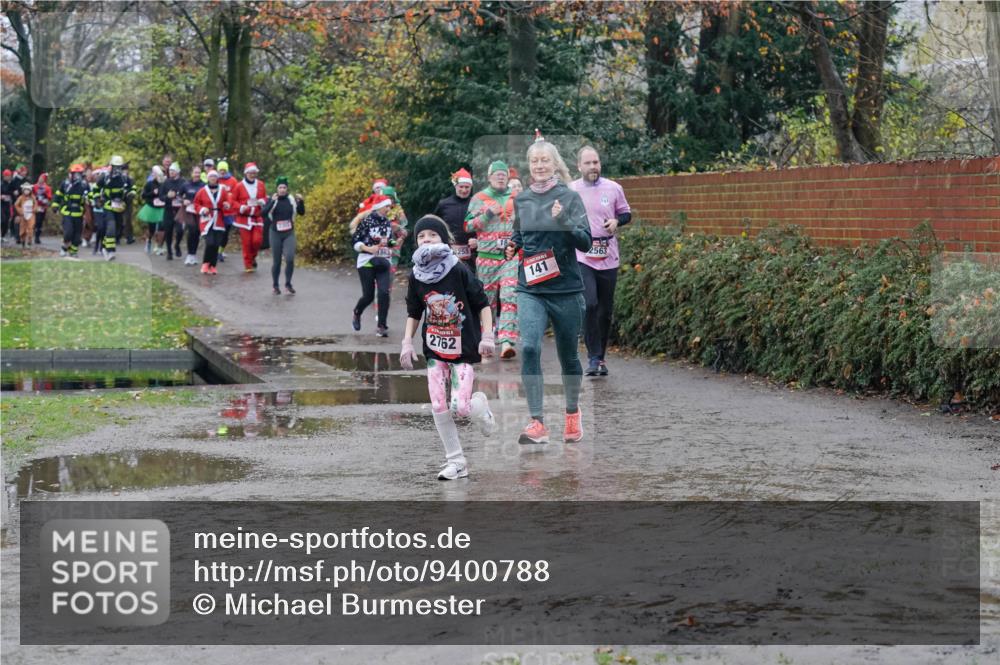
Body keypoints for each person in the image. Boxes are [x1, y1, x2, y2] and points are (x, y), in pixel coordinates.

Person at [504, 136, 591, 444]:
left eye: (545, 161)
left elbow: (586, 241)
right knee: (529, 347)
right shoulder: (523, 199)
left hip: (566, 289)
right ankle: (537, 422)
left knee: (569, 356)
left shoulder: (569, 198)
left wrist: (563, 219)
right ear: (530, 166)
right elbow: (519, 232)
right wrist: (512, 245)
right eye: (534, 161)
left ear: (555, 164)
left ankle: (571, 413)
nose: (539, 165)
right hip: (531, 288)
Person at [401, 214, 497, 480]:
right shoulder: (416, 275)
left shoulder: (457, 268)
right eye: (421, 236)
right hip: (434, 349)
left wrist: (487, 336)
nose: (426, 240)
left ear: (443, 239)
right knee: (438, 405)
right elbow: (414, 311)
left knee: (461, 407)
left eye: (432, 235)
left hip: (463, 348)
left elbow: (482, 303)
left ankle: (479, 405)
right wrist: (406, 342)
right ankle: (456, 462)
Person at [571, 146, 633, 376]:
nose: (593, 167)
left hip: (608, 255)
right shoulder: (572, 190)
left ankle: (601, 357)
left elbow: (627, 213)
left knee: (605, 311)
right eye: (587, 163)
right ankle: (593, 358)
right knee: (590, 304)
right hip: (583, 255)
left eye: (595, 162)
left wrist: (618, 221)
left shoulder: (614, 188)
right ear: (579, 166)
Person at [465, 160, 519, 359]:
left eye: (504, 174)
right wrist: (488, 214)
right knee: (487, 302)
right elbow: (468, 226)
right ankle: (486, 339)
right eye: (497, 174)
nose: (500, 177)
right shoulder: (479, 198)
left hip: (509, 257)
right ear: (489, 177)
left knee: (509, 296)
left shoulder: (516, 198)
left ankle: (506, 341)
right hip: (486, 258)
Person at [350, 194, 394, 336]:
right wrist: (368, 249)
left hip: (383, 261)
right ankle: (357, 312)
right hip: (367, 262)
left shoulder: (387, 222)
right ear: (379, 207)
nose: (389, 208)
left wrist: (394, 243)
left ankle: (382, 325)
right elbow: (355, 242)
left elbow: (388, 241)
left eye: (389, 206)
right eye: (387, 206)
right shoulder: (367, 221)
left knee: (384, 293)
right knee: (368, 296)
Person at [262, 176, 304, 295]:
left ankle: (288, 284)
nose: (282, 190)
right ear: (277, 188)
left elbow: (301, 212)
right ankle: (275, 285)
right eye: (280, 187)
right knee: (277, 261)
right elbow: (263, 213)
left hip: (289, 233)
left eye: (284, 187)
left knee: (290, 258)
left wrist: (301, 202)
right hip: (275, 233)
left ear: (287, 188)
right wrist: (271, 202)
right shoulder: (273, 199)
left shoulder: (291, 199)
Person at [433, 168, 477, 273]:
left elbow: (484, 226)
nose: (464, 190)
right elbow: (434, 225)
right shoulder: (444, 204)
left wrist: (477, 240)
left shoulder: (476, 203)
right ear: (455, 186)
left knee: (470, 282)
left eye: (467, 187)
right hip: (448, 251)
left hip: (472, 253)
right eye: (461, 187)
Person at [193, 169, 232, 274]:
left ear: (217, 178)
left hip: (219, 219)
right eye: (211, 177)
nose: (213, 178)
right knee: (210, 243)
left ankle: (213, 266)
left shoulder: (222, 190)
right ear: (208, 178)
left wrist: (227, 204)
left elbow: (227, 201)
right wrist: (202, 209)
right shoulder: (202, 191)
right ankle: (205, 263)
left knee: (216, 244)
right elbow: (196, 204)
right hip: (207, 219)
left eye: (215, 176)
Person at [232, 162, 266, 272]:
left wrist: (262, 201)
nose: (252, 175)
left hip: (257, 217)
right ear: (246, 173)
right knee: (247, 242)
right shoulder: (239, 186)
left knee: (257, 241)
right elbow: (232, 201)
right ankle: (248, 265)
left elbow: (265, 197)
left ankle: (252, 257)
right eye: (250, 173)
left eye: (254, 173)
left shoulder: (260, 184)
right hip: (244, 218)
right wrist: (241, 207)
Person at [100, 155, 136, 253]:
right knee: (111, 226)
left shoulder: (124, 178)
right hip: (108, 205)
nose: (117, 169)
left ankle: (104, 245)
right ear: (111, 166)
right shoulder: (105, 177)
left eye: (119, 167)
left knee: (117, 228)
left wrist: (131, 194)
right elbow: (96, 188)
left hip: (120, 207)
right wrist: (96, 198)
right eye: (115, 167)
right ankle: (110, 250)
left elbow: (132, 187)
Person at [54, 163, 89, 258]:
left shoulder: (84, 185)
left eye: (79, 174)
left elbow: (89, 196)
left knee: (77, 235)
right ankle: (64, 248)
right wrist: (55, 205)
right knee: (68, 232)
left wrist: (90, 199)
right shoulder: (65, 184)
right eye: (75, 174)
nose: (77, 176)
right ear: (71, 174)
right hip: (67, 212)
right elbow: (58, 194)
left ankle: (73, 251)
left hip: (79, 213)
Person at [158, 162, 185, 260]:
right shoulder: (166, 182)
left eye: (173, 171)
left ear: (178, 172)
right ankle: (169, 251)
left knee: (180, 230)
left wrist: (181, 197)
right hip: (168, 210)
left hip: (179, 211)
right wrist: (167, 197)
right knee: (168, 231)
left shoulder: (183, 182)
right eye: (170, 171)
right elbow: (161, 196)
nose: (171, 173)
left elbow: (186, 194)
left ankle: (177, 245)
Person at [138, 166, 166, 253]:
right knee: (152, 229)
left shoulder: (165, 184)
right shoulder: (149, 184)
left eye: (161, 175)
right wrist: (152, 193)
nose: (159, 177)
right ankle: (149, 241)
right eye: (157, 175)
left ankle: (159, 246)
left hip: (162, 208)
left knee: (162, 228)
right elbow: (143, 196)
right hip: (152, 208)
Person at [180, 165, 205, 265]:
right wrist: (183, 200)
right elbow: (178, 196)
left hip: (199, 212)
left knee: (197, 233)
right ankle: (189, 255)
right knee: (191, 231)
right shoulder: (186, 185)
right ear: (192, 173)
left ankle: (193, 255)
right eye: (195, 172)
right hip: (189, 211)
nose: (197, 175)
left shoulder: (203, 185)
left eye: (199, 173)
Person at [216, 160, 239, 262]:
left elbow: (235, 194)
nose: (222, 172)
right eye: (220, 170)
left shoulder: (233, 180)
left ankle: (221, 251)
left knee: (225, 233)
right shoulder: (215, 179)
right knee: (217, 232)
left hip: (229, 211)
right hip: (217, 211)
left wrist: (230, 203)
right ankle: (215, 251)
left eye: (224, 170)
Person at [32, 173, 52, 244]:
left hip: (43, 207)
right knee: (36, 221)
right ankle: (34, 235)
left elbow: (49, 197)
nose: (40, 179)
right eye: (40, 178)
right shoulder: (34, 186)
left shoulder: (47, 188)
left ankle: (37, 236)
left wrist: (46, 197)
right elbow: (31, 194)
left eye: (42, 178)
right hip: (35, 206)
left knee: (40, 222)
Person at [1, 169, 15, 241]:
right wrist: (1, 197)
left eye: (10, 176)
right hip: (1, 205)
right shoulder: (1, 184)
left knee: (7, 220)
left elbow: (12, 193)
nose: (9, 177)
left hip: (8, 205)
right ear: (4, 176)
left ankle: (3, 236)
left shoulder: (11, 184)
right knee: (3, 220)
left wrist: (14, 193)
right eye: (7, 176)